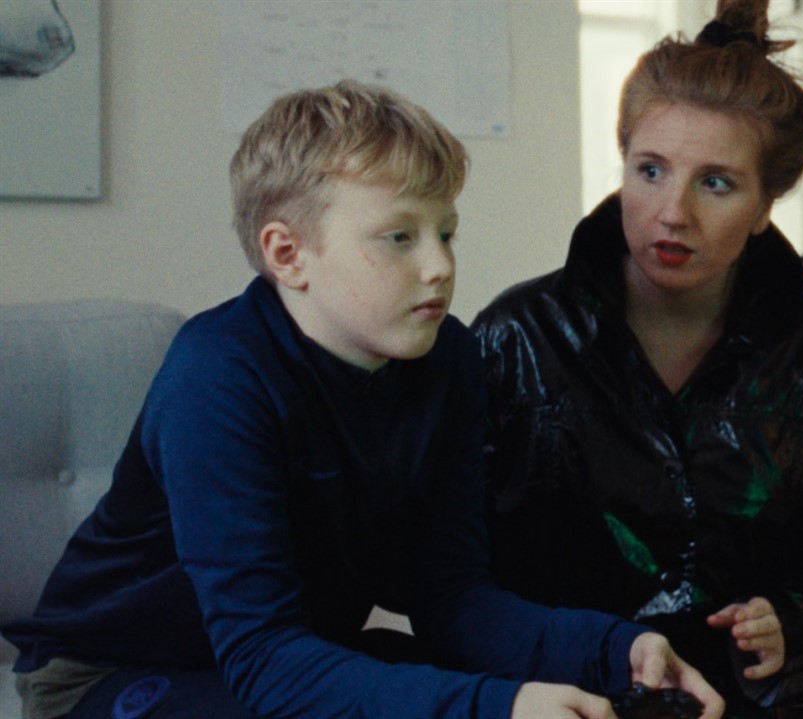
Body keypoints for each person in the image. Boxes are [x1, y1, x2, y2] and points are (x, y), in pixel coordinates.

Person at [1, 80, 723, 719]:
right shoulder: (218, 375)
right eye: (399, 237)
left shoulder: (448, 358)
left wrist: (616, 649)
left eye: (446, 232)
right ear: (288, 254)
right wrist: (497, 705)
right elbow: (264, 654)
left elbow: (452, 599)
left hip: (295, 655)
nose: (439, 266)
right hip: (112, 675)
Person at [470, 1, 803, 717]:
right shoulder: (516, 337)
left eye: (717, 182)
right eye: (651, 170)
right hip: (578, 699)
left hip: (769, 702)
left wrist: (794, 625)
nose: (673, 211)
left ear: (767, 203)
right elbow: (460, 576)